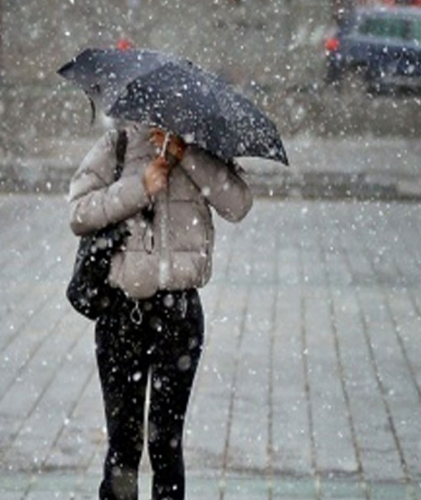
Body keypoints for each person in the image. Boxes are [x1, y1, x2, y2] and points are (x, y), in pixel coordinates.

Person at [68, 122, 253, 500]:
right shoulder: (117, 144)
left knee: (166, 445)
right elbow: (79, 213)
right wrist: (140, 187)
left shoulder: (199, 147)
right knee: (124, 445)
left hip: (178, 317)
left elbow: (237, 204)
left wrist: (187, 155)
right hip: (122, 316)